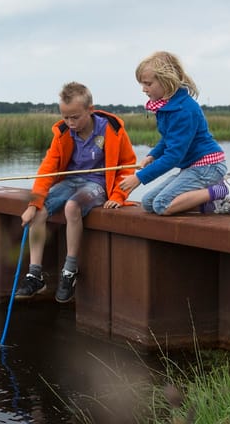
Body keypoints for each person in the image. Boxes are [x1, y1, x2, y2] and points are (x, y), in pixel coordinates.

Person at [14, 82, 138, 303]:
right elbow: (47, 169)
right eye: (65, 117)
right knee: (40, 211)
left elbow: (127, 165)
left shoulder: (112, 129)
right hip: (70, 181)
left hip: (97, 184)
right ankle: (35, 275)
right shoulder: (63, 134)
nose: (70, 123)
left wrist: (119, 196)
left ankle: (69, 271)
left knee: (73, 206)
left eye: (75, 117)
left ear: (90, 110)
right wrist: (34, 204)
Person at [119, 51, 230, 216]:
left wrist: (140, 178)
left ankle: (225, 190)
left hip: (208, 166)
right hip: (193, 167)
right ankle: (214, 204)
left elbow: (173, 156)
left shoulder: (183, 110)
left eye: (148, 84)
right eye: (142, 84)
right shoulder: (167, 106)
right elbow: (168, 139)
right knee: (148, 203)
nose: (144, 89)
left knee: (162, 204)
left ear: (166, 81)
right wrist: (153, 155)